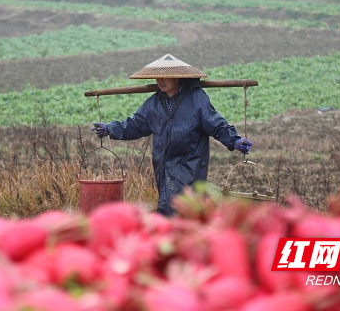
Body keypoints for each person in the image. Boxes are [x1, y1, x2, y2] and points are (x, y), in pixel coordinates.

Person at [91, 54, 253, 216]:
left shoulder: (196, 99)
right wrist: (109, 128)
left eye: (165, 77)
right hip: (163, 167)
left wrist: (235, 140)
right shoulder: (153, 104)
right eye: (157, 77)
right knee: (168, 208)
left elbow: (216, 124)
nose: (160, 81)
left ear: (177, 77)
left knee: (185, 210)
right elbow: (135, 125)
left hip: (190, 165)